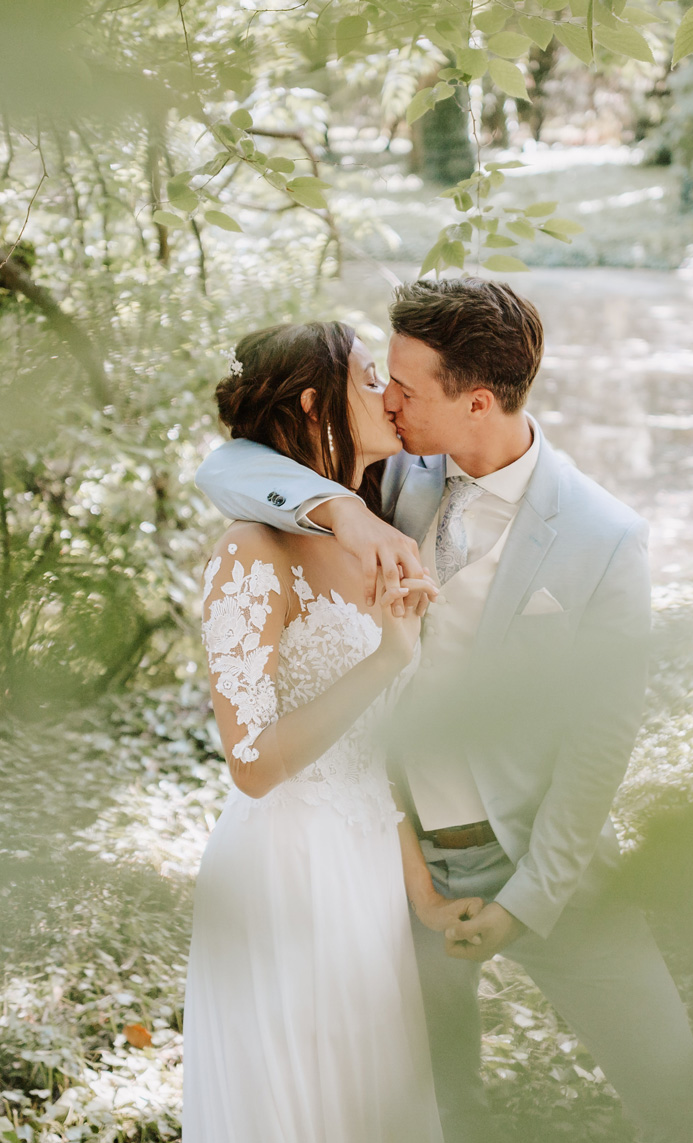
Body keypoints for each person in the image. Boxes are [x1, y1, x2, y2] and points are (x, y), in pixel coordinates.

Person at [193, 279, 693, 1143]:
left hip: (543, 856)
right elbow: (232, 463)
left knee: (671, 1085)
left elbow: (601, 739)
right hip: (389, 863)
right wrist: (343, 512)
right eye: (380, 380)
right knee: (429, 1102)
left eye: (405, 386)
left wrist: (530, 897)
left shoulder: (604, 536)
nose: (389, 401)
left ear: (476, 400)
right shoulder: (388, 472)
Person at [183, 320, 483, 1143]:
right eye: (369, 376)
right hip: (283, 873)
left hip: (366, 878)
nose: (390, 392)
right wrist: (388, 657)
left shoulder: (380, 540)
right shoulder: (250, 552)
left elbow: (371, 752)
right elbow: (251, 763)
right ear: (316, 401)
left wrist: (421, 891)